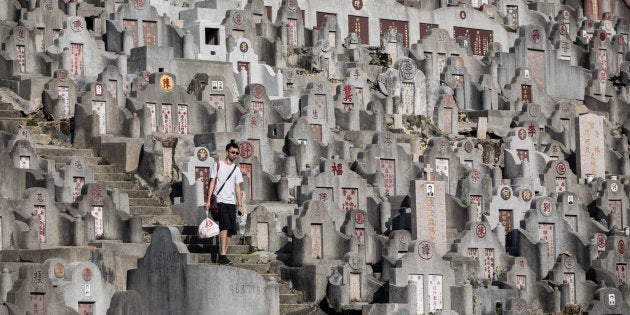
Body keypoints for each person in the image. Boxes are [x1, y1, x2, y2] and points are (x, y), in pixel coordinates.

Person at [205, 142, 244, 265]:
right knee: (224, 226)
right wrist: (207, 200)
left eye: (237, 153)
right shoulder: (217, 165)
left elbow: (237, 187)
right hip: (219, 200)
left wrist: (240, 204)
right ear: (227, 152)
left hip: (231, 202)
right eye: (233, 152)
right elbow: (212, 183)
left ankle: (224, 255)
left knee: (231, 230)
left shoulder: (236, 169)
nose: (235, 155)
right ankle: (222, 255)